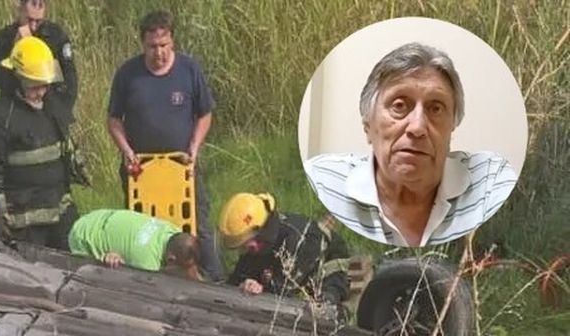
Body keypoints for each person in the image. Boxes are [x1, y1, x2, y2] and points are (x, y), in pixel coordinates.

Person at [305, 42, 518, 247]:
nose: (417, 127)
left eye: (435, 109)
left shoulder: (490, 181)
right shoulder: (321, 181)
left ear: (452, 128)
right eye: (399, 105)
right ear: (368, 126)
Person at [106, 9, 224, 281]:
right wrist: (126, 151)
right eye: (152, 47)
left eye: (163, 46)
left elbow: (205, 114)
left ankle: (215, 280)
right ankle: (145, 276)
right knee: (142, 226)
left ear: (172, 42)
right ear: (142, 44)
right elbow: (113, 119)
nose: (158, 53)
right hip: (141, 169)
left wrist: (194, 147)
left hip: (182, 165)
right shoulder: (128, 74)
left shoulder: (188, 70)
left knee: (199, 224)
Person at [0, 36, 77, 249]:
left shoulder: (52, 105)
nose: (41, 91)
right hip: (24, 224)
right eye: (34, 85)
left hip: (60, 211)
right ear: (17, 78)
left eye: (45, 85)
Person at [218, 192, 350, 307]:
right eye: (243, 245)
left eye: (250, 242)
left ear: (263, 228)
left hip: (327, 265)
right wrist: (244, 283)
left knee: (323, 307)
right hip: (288, 269)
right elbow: (235, 280)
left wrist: (261, 287)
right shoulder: (260, 242)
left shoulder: (297, 240)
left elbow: (281, 294)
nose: (249, 247)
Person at [69, 209, 201, 280]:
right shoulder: (147, 264)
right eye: (181, 267)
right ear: (171, 259)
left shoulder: (173, 230)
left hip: (98, 215)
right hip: (83, 235)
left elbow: (191, 268)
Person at [0, 0, 77, 109]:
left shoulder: (56, 37)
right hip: (17, 105)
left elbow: (70, 83)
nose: (33, 26)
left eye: (38, 21)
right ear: (20, 10)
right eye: (29, 20)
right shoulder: (6, 37)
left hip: (50, 107)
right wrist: (15, 51)